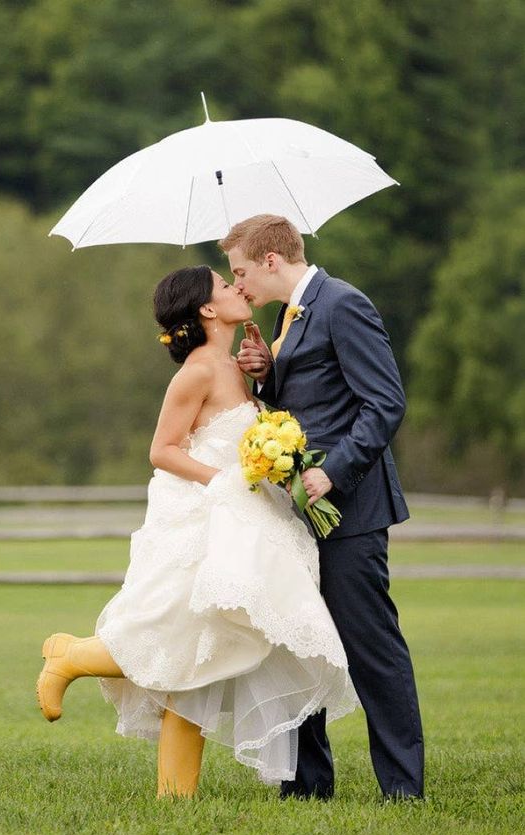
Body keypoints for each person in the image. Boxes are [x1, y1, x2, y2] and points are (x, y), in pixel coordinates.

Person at [36, 264, 358, 798]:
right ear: (207, 310)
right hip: (206, 518)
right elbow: (162, 450)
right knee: (173, 637)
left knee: (202, 656)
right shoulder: (197, 371)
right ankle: (71, 656)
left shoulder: (236, 366)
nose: (237, 288)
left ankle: (175, 794)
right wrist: (229, 480)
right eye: (225, 285)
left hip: (245, 514)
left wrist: (267, 406)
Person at [221, 215, 424, 801]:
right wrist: (266, 376)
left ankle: (403, 788)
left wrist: (332, 472)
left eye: (240, 271)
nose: (239, 287)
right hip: (296, 514)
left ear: (271, 261)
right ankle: (309, 786)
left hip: (353, 507)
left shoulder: (343, 304)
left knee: (370, 647)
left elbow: (384, 403)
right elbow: (309, 397)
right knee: (301, 640)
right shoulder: (290, 318)